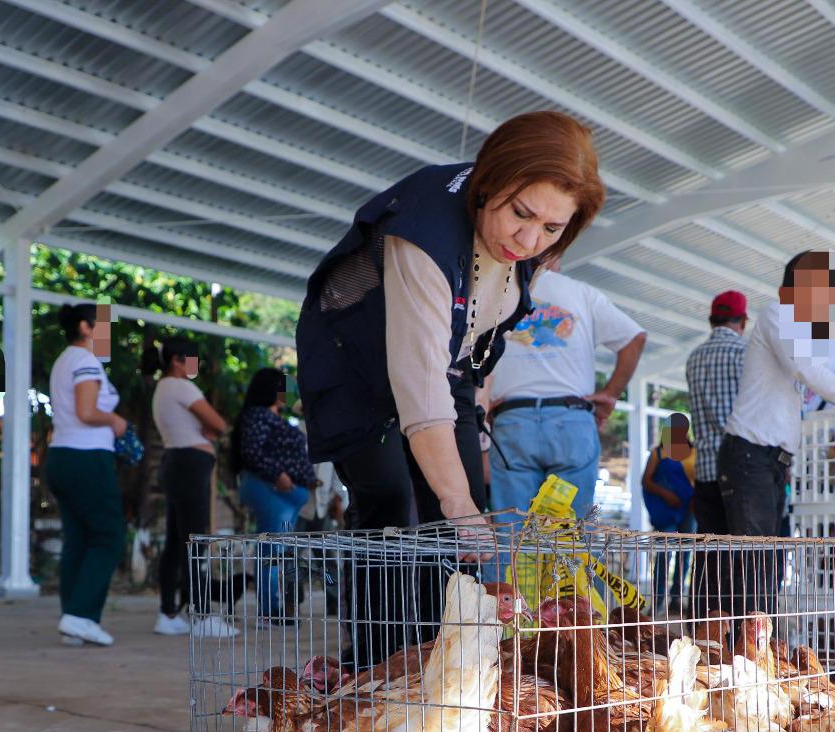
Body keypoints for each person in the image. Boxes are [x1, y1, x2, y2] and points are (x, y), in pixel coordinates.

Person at [294, 110, 604, 664]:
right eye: (520, 213)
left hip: (451, 369)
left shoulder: (530, 245)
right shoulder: (425, 233)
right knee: (391, 500)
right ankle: (379, 664)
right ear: (489, 184)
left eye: (551, 228)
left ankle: (445, 663)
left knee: (462, 528)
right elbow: (418, 386)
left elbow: (463, 358)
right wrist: (455, 500)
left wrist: (465, 493)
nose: (529, 239)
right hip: (357, 363)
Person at [716, 251, 835, 615]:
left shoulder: (796, 329)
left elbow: (822, 370)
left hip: (768, 459)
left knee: (769, 559)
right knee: (757, 564)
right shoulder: (776, 314)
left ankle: (755, 650)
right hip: (750, 454)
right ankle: (748, 655)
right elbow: (808, 369)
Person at [488, 261, 645, 518]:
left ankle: (513, 558)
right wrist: (610, 393)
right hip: (570, 420)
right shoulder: (583, 293)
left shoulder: (496, 288)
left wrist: (484, 398)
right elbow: (634, 337)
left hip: (512, 418)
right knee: (568, 535)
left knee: (510, 533)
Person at [44, 303, 127, 648]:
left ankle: (73, 618)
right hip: (86, 457)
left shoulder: (65, 360)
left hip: (62, 454)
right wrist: (115, 421)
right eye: (103, 326)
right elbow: (87, 411)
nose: (108, 334)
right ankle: (80, 615)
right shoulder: (85, 361)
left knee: (78, 537)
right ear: (85, 327)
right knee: (109, 536)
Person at [146, 335, 234, 638]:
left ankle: (168, 611)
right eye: (192, 359)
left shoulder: (162, 389)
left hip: (175, 462)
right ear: (177, 360)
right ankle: (203, 614)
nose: (195, 365)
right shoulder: (181, 386)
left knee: (175, 541)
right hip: (190, 464)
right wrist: (210, 428)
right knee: (195, 541)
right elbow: (219, 425)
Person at [232, 367, 314, 620]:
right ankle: (269, 610)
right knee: (271, 552)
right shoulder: (258, 416)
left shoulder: (271, 416)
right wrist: (278, 475)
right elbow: (253, 451)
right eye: (285, 387)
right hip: (272, 490)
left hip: (283, 494)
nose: (290, 392)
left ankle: (273, 606)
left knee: (276, 552)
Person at [685, 291, 749, 539]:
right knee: (746, 552)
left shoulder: (694, 358)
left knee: (710, 549)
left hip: (705, 470)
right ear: (743, 320)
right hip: (741, 468)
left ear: (712, 321)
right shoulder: (745, 352)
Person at [642, 413, 696, 612]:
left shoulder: (694, 452)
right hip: (666, 510)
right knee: (665, 553)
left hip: (689, 509)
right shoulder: (659, 453)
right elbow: (646, 481)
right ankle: (657, 600)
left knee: (686, 554)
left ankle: (676, 599)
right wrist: (665, 494)